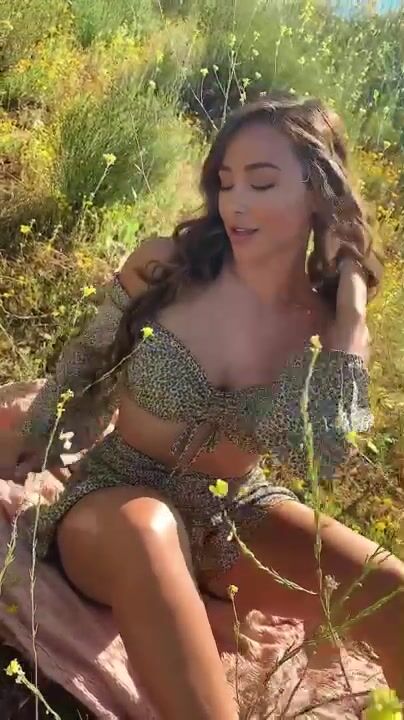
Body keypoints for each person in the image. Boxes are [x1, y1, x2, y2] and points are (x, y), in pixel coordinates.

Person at [5, 93, 404, 719]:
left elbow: (324, 456)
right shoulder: (167, 267)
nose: (235, 202)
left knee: (394, 592)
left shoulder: (325, 324)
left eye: (261, 182)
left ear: (317, 192)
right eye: (226, 182)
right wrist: (37, 438)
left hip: (236, 514)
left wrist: (350, 320)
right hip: (115, 506)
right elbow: (83, 366)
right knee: (149, 531)